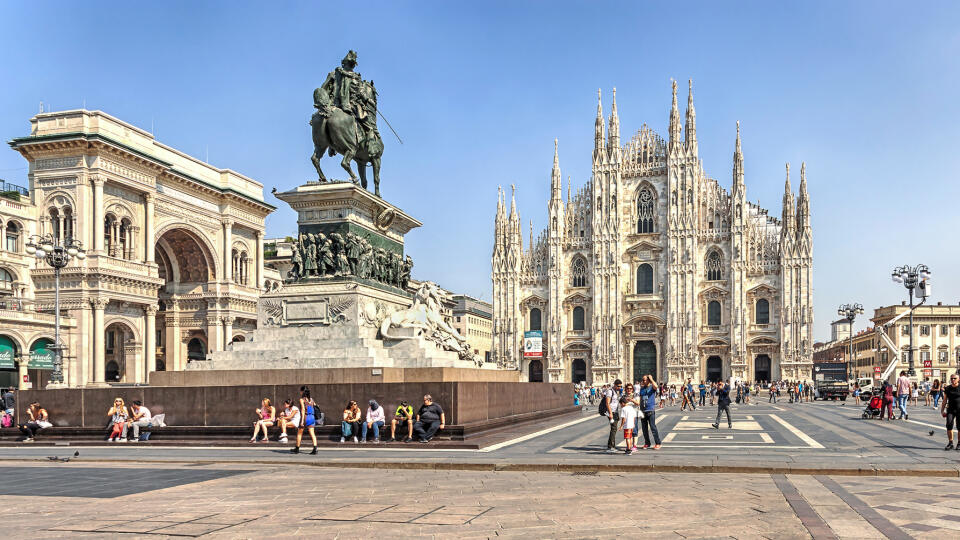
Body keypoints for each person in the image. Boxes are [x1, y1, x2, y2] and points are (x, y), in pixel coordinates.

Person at [291, 386, 318, 454]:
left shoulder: (302, 400)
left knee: (299, 433)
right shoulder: (311, 399)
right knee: (312, 433)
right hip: (312, 417)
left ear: (302, 392)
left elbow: (303, 410)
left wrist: (302, 420)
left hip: (306, 417)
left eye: (300, 391)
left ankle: (297, 448)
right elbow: (315, 406)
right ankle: (315, 448)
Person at [638, 374, 661, 450]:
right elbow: (641, 399)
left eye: (645, 380)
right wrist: (640, 409)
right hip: (643, 410)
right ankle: (647, 443)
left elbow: (656, 387)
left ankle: (657, 443)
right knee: (644, 429)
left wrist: (651, 379)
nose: (643, 381)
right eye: (643, 380)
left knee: (653, 427)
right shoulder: (642, 389)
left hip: (650, 410)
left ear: (648, 380)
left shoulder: (652, 387)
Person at [940, 373, 960, 450]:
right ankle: (950, 442)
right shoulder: (948, 388)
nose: (953, 380)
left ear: (958, 379)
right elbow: (944, 400)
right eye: (951, 378)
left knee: (959, 427)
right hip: (950, 409)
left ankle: (959, 443)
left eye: (954, 378)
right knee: (949, 425)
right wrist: (942, 411)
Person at [603, 379, 623, 453]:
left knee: (614, 429)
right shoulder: (610, 391)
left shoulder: (616, 391)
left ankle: (611, 445)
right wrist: (610, 413)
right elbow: (607, 403)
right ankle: (610, 447)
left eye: (621, 386)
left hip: (616, 411)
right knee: (613, 429)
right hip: (612, 412)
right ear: (614, 385)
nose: (620, 387)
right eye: (618, 386)